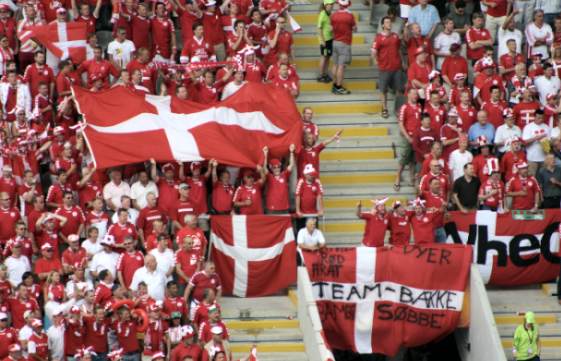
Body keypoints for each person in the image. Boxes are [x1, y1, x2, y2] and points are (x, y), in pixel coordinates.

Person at [371, 15, 403, 118]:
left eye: (390, 22)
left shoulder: (395, 36)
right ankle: (384, 108)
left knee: (399, 89)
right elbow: (373, 51)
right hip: (384, 68)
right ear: (383, 25)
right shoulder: (379, 37)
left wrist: (403, 62)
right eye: (387, 22)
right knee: (383, 90)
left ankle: (398, 109)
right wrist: (376, 61)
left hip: (396, 67)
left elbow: (398, 49)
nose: (390, 24)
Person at [330, 0, 356, 95]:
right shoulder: (349, 16)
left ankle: (334, 84)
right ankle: (338, 86)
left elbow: (331, 28)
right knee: (341, 66)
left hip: (335, 41)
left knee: (335, 65)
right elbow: (354, 28)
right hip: (344, 43)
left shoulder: (333, 15)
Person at [317, 0, 334, 83]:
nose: (332, 6)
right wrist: (322, 40)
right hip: (325, 40)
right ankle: (320, 75)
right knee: (324, 57)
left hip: (330, 39)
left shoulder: (329, 14)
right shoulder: (322, 14)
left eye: (332, 4)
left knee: (328, 57)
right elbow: (319, 28)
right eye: (330, 4)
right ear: (326, 5)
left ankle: (325, 74)